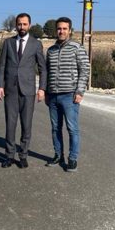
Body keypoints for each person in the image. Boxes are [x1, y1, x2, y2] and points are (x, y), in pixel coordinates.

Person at [0, 12, 46, 168]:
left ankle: (23, 155)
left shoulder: (36, 44)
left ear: (29, 25)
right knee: (10, 125)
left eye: (25, 24)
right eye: (19, 24)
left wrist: (42, 88)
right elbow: (2, 66)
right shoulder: (8, 43)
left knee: (26, 125)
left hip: (28, 91)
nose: (22, 27)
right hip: (10, 90)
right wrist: (0, 85)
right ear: (16, 25)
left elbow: (42, 68)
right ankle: (9, 155)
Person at [44, 16, 90, 172]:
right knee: (55, 128)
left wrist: (80, 91)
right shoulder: (50, 50)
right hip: (53, 96)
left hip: (70, 95)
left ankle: (72, 158)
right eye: (59, 28)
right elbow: (47, 72)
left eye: (64, 28)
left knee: (72, 129)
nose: (61, 31)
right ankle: (58, 155)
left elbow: (85, 69)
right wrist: (46, 91)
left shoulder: (77, 47)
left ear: (70, 30)